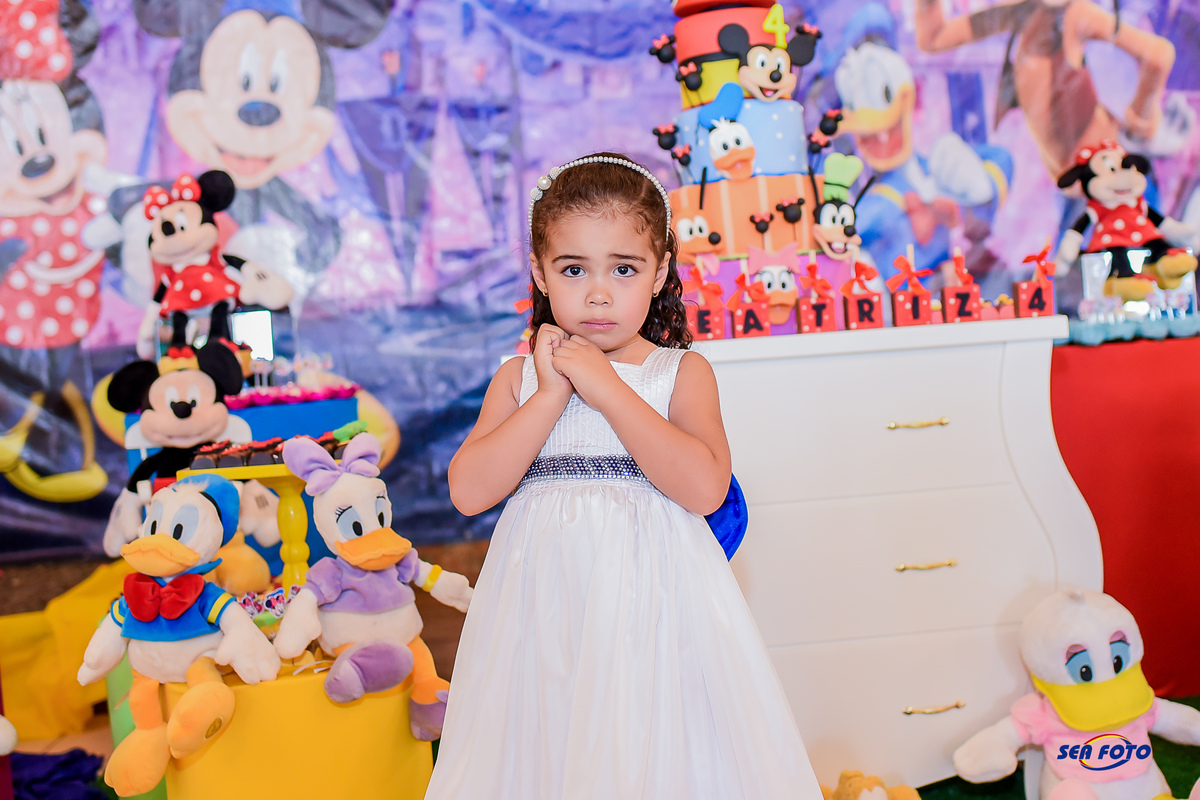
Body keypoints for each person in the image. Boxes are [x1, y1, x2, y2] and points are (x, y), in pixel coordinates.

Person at [425, 153, 822, 800]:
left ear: (659, 272)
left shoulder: (679, 374)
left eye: (624, 269)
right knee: (550, 746)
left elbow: (704, 489)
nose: (598, 293)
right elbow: (469, 492)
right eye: (573, 269)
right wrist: (550, 395)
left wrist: (606, 387)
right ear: (540, 272)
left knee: (652, 746)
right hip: (544, 615)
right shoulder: (518, 379)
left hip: (654, 611)